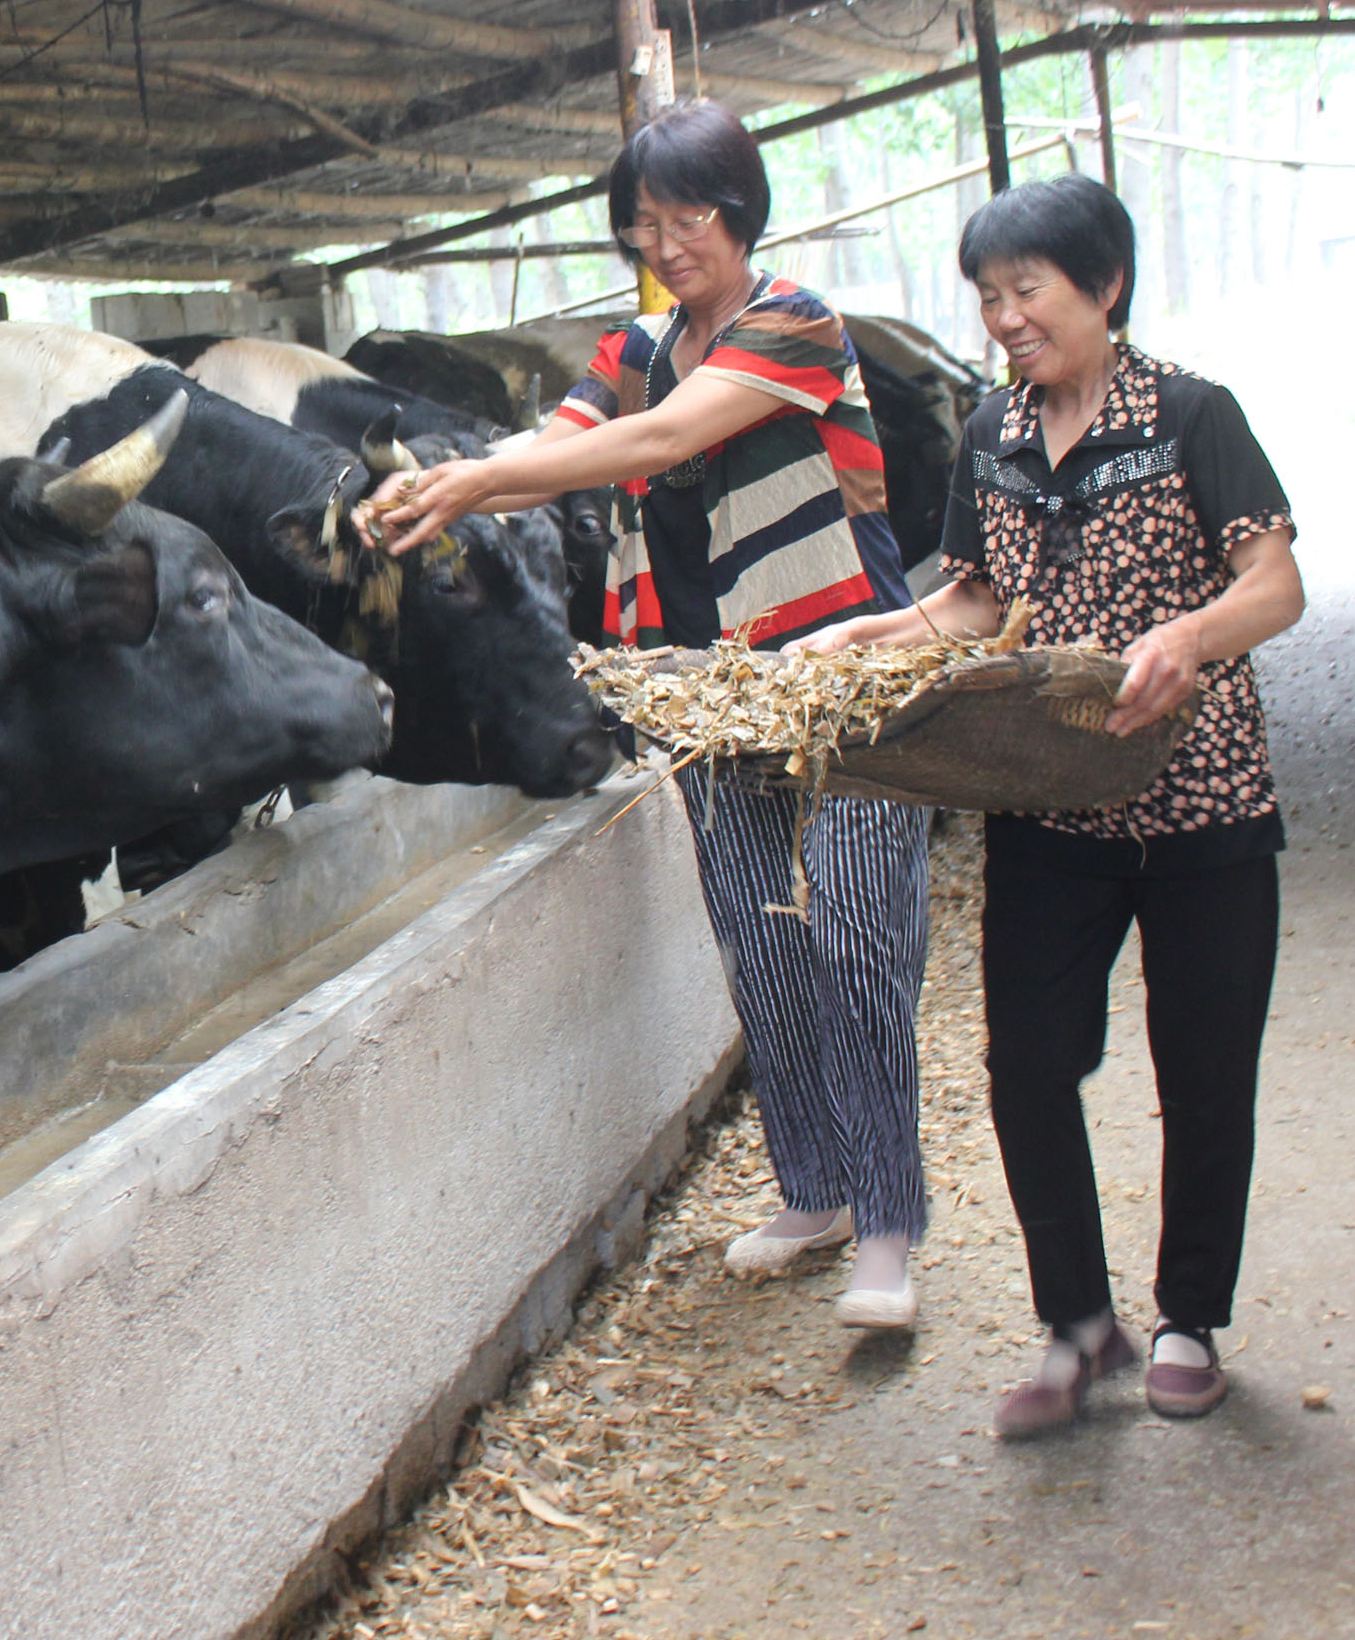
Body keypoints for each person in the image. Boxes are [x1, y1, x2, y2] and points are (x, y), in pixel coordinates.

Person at [363, 100, 932, 1329]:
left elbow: (660, 438)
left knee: (853, 928)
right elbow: (559, 439)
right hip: (703, 683)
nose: (668, 245)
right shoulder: (632, 348)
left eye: (690, 218)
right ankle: (816, 1190)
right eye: (644, 225)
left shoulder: (794, 321)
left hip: (844, 668)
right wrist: (436, 486)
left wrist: (474, 480)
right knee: (755, 930)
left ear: (741, 212)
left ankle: (888, 1225)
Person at [799, 174, 1303, 1435]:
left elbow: (1274, 582)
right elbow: (975, 602)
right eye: (987, 296)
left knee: (1204, 1073)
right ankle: (1077, 1324)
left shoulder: (1188, 415)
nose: (1005, 318)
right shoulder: (991, 434)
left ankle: (1187, 1317)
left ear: (1104, 285)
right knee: (1026, 1065)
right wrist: (863, 637)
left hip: (1203, 804)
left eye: (1027, 289)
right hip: (1048, 812)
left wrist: (1188, 637)